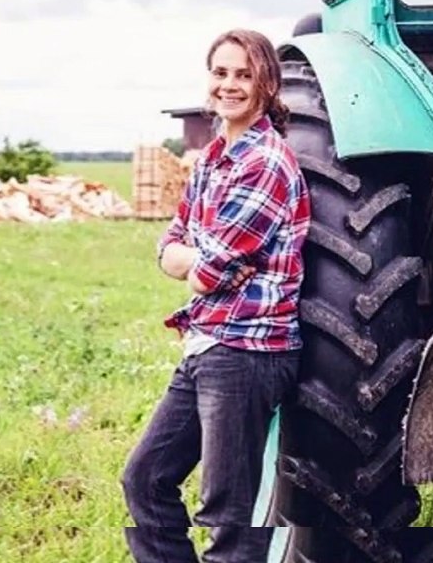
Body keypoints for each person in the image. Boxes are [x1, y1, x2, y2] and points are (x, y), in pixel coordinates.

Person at [121, 29, 311, 563]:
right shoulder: (211, 159)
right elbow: (170, 246)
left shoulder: (266, 162)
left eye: (244, 75)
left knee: (228, 513)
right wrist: (192, 259)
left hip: (246, 350)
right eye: (221, 72)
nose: (229, 85)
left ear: (267, 84)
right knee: (145, 479)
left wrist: (193, 260)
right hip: (208, 342)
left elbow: (208, 272)